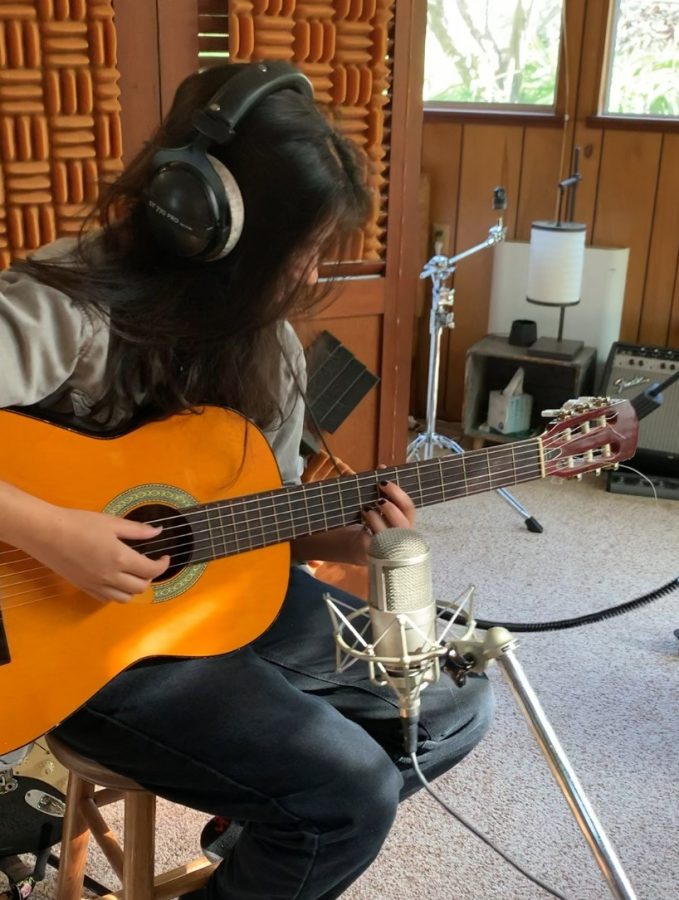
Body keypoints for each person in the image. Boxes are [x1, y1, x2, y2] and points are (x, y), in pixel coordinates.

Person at [0, 62, 494, 899]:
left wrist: (344, 535)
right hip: (75, 640)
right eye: (297, 251)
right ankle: (287, 823)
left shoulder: (272, 354)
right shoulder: (68, 304)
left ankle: (256, 843)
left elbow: (258, 520)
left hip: (219, 597)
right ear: (207, 226)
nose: (308, 277)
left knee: (449, 702)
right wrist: (53, 530)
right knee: (350, 797)